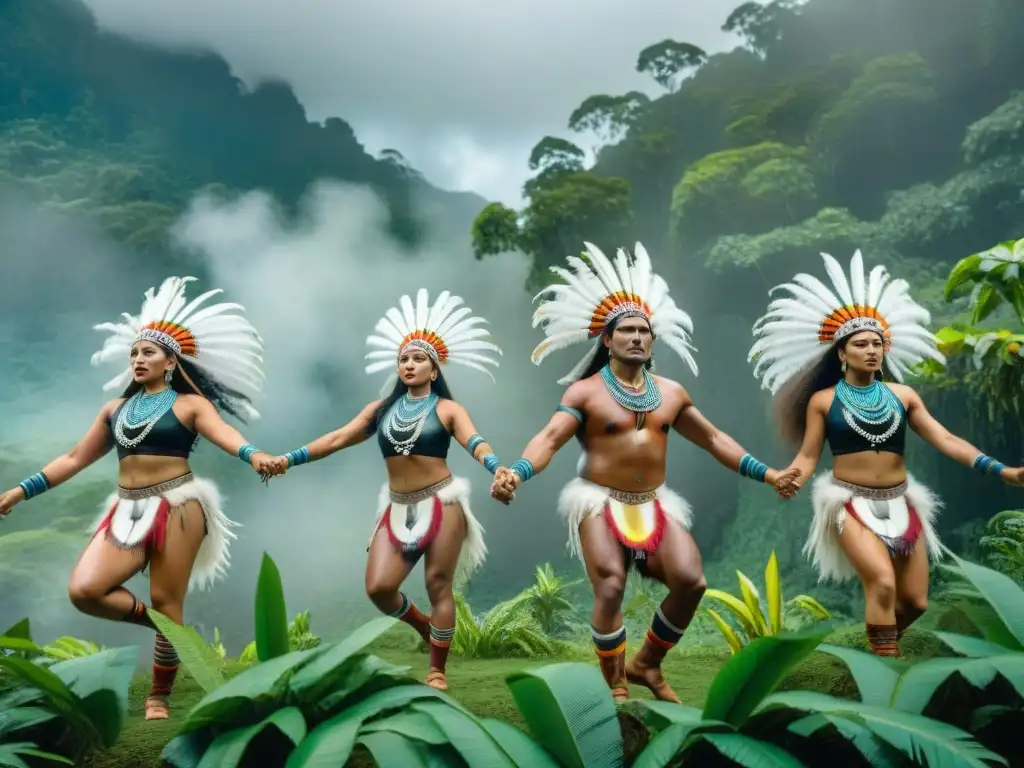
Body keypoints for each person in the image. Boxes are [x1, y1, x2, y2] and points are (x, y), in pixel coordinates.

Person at [490, 242, 798, 703]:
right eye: (627, 330)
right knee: (610, 583)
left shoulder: (671, 393)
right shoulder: (585, 393)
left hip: (653, 503)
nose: (636, 337)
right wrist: (516, 472)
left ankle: (646, 665)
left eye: (643, 331)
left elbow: (714, 439)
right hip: (598, 501)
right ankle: (614, 683)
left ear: (653, 341)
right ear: (607, 340)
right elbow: (550, 438)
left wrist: (769, 474)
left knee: (691, 580)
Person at [0, 276, 275, 720]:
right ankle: (173, 633)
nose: (138, 358)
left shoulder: (189, 405)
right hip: (127, 508)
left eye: (148, 352)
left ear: (171, 361)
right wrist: (18, 491)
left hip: (180, 506)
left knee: (169, 600)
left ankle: (158, 697)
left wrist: (254, 455)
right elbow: (73, 458)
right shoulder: (115, 410)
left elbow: (226, 435)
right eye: (134, 353)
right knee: (86, 589)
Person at [747, 249, 1024, 657]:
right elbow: (808, 456)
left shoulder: (903, 395)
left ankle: (872, 646)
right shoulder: (823, 400)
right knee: (880, 581)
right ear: (842, 353)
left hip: (901, 502)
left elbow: (946, 440)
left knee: (915, 602)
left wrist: (1003, 472)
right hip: (848, 504)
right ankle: (885, 663)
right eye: (861, 344)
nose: (872, 350)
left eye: (878, 343)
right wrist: (791, 477)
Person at [265, 288, 503, 692]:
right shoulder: (381, 411)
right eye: (403, 359)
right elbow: (338, 438)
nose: (409, 365)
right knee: (378, 587)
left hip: (442, 502)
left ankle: (437, 670)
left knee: (438, 585)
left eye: (418, 359)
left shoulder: (447, 409)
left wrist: (498, 469)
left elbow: (475, 441)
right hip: (397, 507)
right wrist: (288, 459)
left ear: (434, 369)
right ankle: (426, 628)